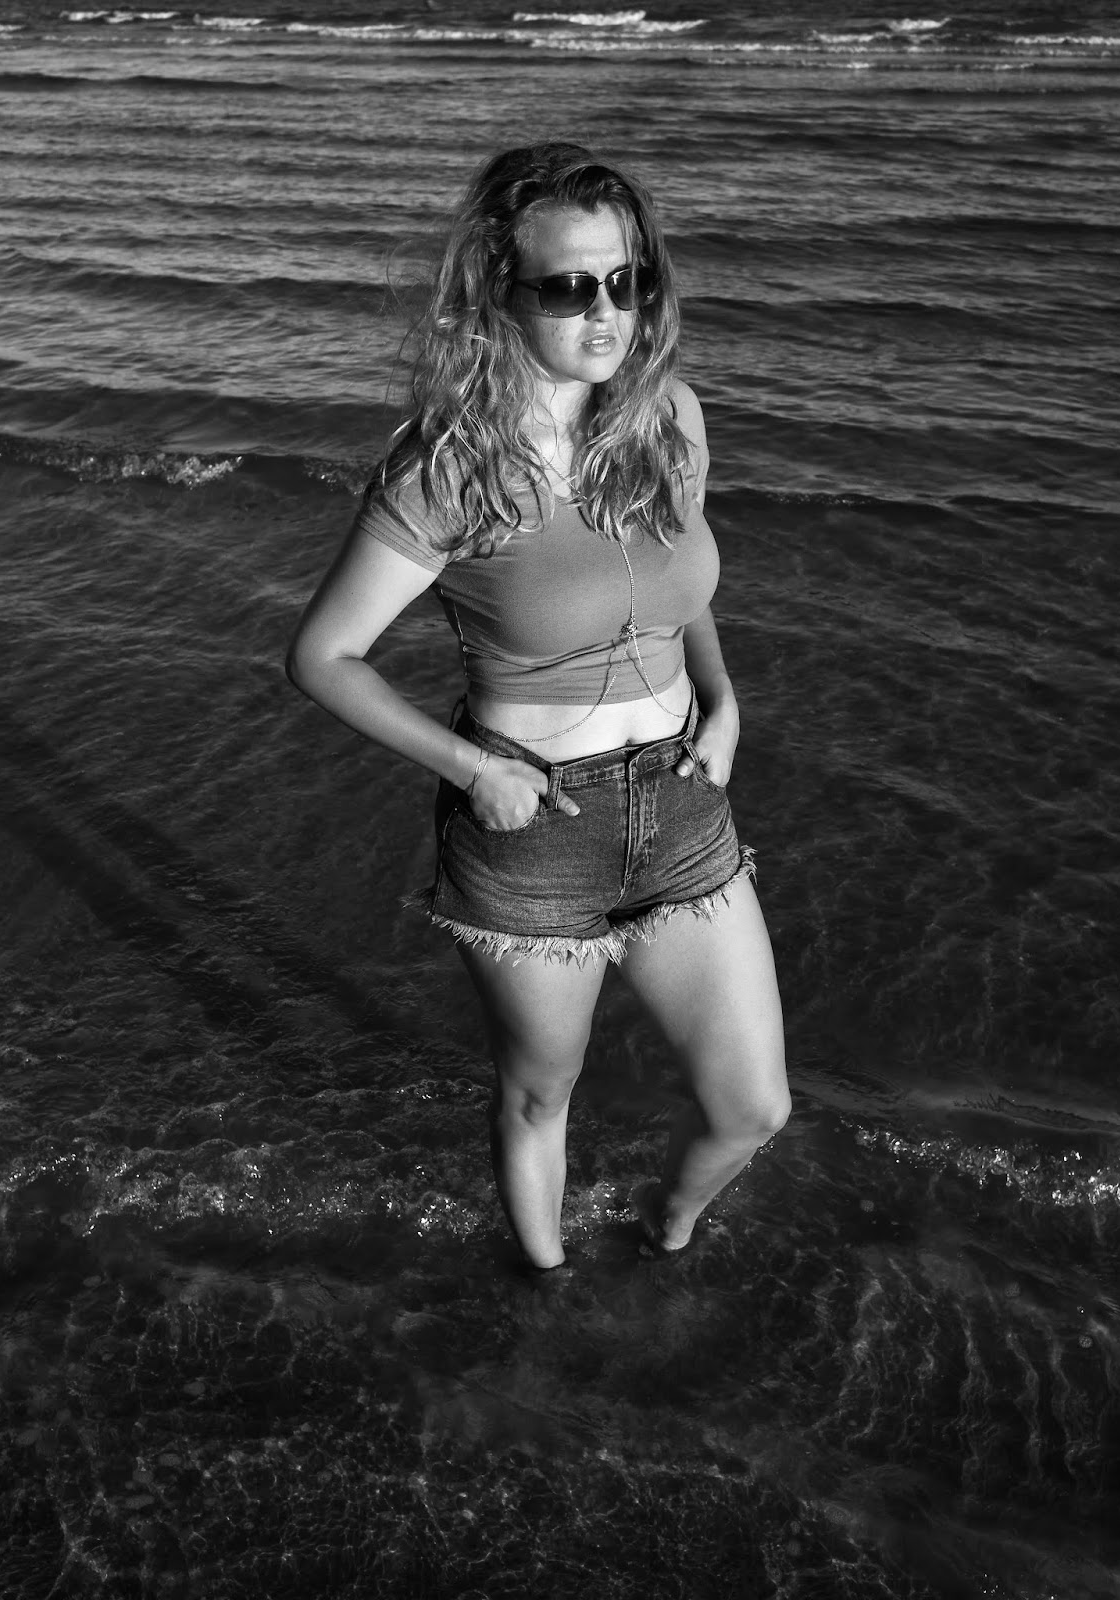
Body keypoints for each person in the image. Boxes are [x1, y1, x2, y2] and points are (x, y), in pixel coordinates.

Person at [287, 142, 789, 1271]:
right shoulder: (447, 470)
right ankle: (545, 1289)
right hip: (534, 825)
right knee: (538, 1095)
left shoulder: (669, 420)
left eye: (627, 280)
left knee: (752, 1106)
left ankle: (667, 1234)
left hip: (683, 802)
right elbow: (324, 656)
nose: (606, 312)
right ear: (496, 295)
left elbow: (681, 587)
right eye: (568, 287)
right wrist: (476, 772)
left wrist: (723, 700)